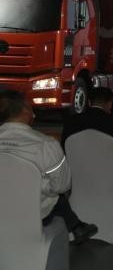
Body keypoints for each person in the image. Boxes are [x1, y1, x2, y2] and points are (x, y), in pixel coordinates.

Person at [0, 90, 98, 243]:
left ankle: (77, 226)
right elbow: (62, 186)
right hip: (32, 215)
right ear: (26, 112)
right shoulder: (46, 145)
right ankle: (76, 226)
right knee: (55, 195)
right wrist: (39, 184)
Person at [61, 87, 113, 199]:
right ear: (110, 103)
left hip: (77, 180)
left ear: (89, 102)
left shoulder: (71, 122)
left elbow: (64, 154)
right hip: (109, 182)